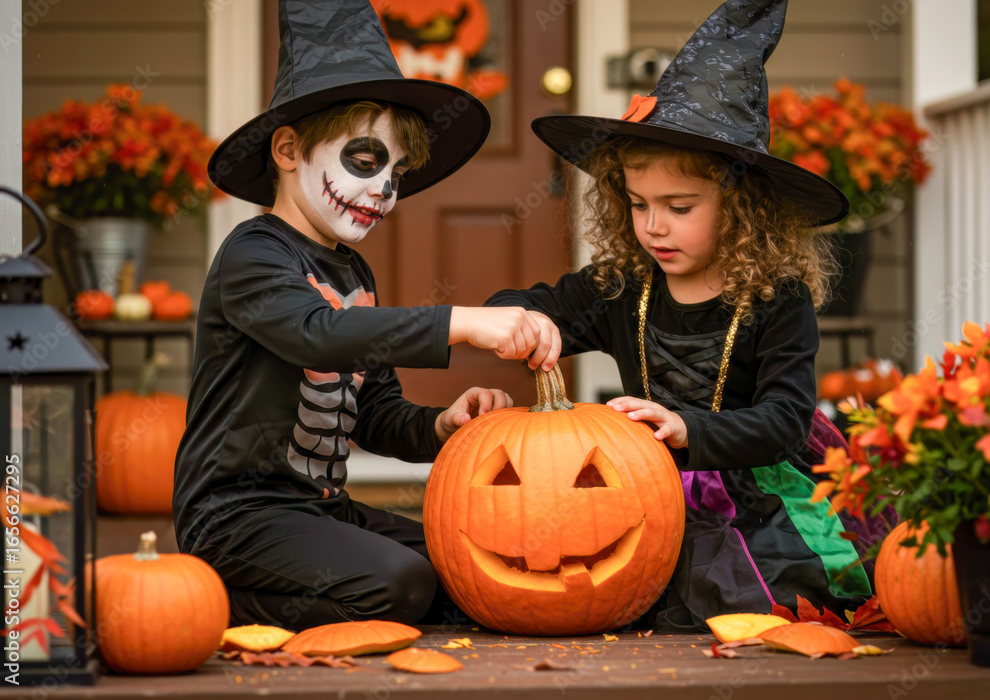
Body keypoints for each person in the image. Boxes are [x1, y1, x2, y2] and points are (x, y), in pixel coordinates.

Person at [486, 0, 876, 631]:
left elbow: (784, 419)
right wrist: (516, 323)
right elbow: (530, 304)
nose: (653, 226)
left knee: (754, 592)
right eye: (638, 205)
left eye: (679, 206)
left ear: (742, 206)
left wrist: (688, 428)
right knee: (583, 565)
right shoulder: (622, 286)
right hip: (647, 487)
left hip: (759, 487)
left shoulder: (776, 298)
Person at [173, 0, 556, 630]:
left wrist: (443, 425)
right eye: (364, 160)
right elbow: (316, 334)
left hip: (323, 510)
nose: (384, 190)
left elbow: (372, 415)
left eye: (398, 173)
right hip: (240, 515)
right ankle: (205, 599)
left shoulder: (353, 273)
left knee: (471, 569)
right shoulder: (254, 254)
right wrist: (461, 322)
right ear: (290, 150)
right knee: (401, 585)